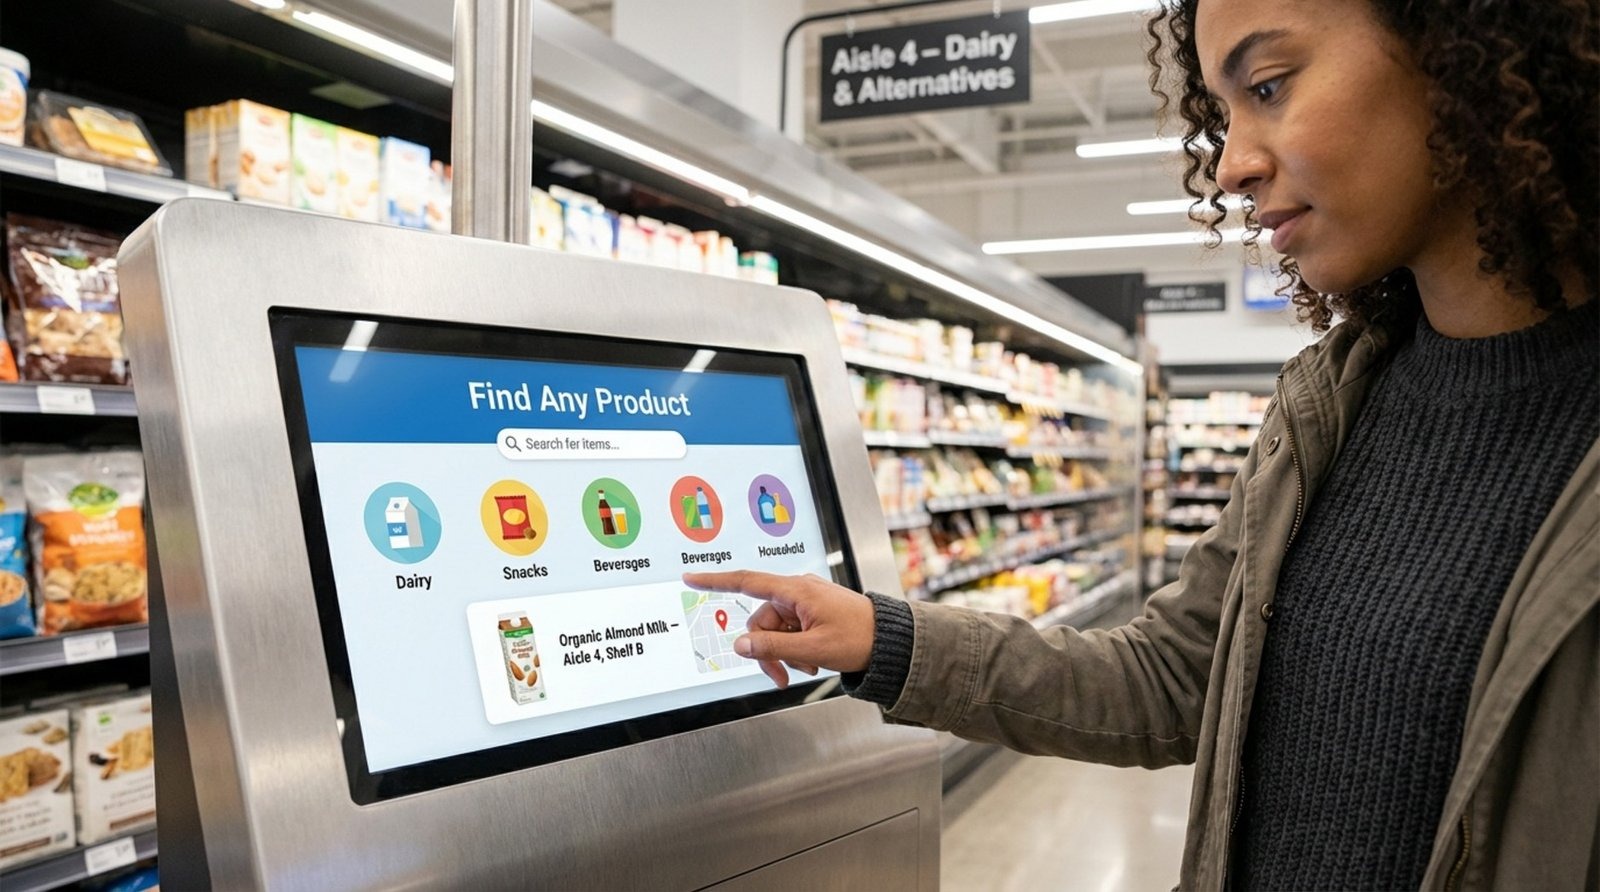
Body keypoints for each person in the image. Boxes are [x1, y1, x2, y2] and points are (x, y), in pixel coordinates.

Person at [685, 0, 1598, 889]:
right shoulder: (1332, 409)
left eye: (1270, 85)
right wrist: (885, 638)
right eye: (1223, 110)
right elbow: (1173, 678)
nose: (1232, 163)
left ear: (1456, 41)